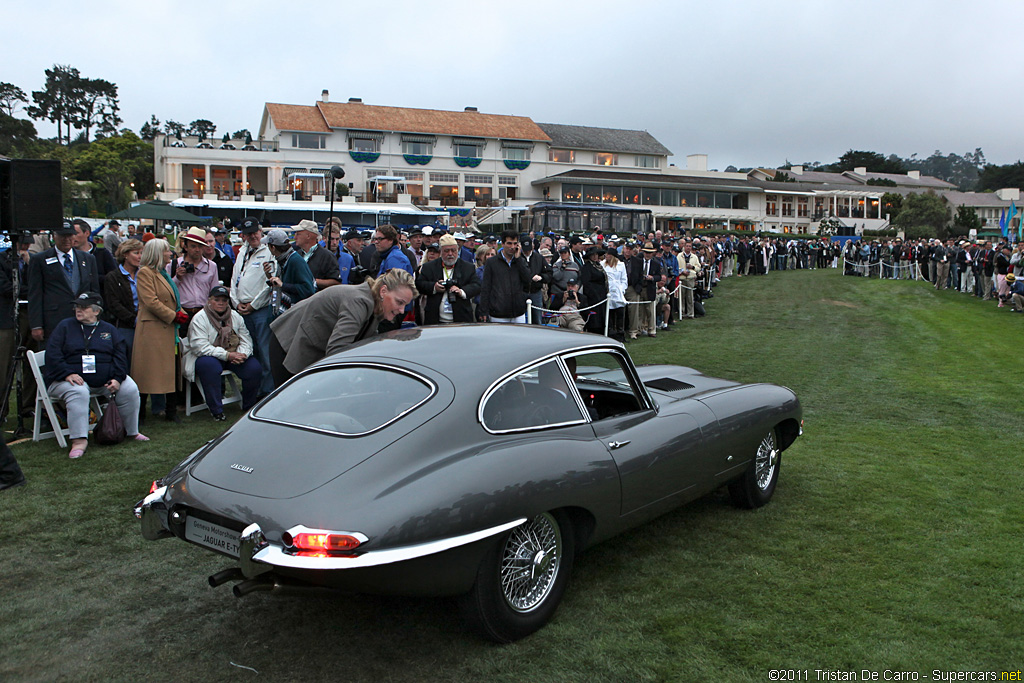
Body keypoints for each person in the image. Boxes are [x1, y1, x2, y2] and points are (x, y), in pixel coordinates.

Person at [268, 269, 416, 386]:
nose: (402, 310)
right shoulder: (359, 301)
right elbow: (337, 350)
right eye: (399, 302)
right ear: (383, 291)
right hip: (288, 343)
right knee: (288, 408)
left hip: (307, 344)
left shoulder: (375, 305)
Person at [45, 292, 147, 458]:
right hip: (66, 379)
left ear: (96, 311)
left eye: (84, 307)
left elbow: (120, 356)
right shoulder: (65, 326)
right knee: (79, 391)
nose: (79, 310)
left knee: (129, 388)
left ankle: (131, 431)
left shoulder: (109, 330)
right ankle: (79, 440)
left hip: (104, 379)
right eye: (77, 306)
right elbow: (53, 354)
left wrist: (117, 378)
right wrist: (67, 373)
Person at [183, 285, 261, 421]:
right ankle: (216, 410)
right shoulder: (199, 318)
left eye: (224, 300)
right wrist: (226, 355)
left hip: (233, 354)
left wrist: (242, 354)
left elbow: (246, 338)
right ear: (209, 300)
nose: (221, 303)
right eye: (217, 299)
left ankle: (249, 406)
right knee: (210, 367)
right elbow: (200, 347)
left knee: (254, 368)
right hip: (207, 356)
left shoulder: (235, 316)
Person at [133, 239, 188, 423]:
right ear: (157, 253)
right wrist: (173, 315)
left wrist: (179, 312)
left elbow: (172, 300)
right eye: (166, 251)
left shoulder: (163, 274)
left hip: (168, 330)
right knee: (147, 372)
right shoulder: (145, 273)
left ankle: (170, 411)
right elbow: (151, 302)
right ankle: (139, 414)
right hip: (152, 331)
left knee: (171, 369)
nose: (170, 254)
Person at [28, 220, 101, 343]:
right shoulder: (39, 260)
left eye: (70, 235)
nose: (66, 239)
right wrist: (36, 325)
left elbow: (94, 290)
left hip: (84, 319)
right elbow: (35, 294)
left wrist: (96, 315)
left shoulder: (88, 259)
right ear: (54, 236)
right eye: (62, 236)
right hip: (53, 320)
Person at [230, 217, 276, 395]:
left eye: (255, 233)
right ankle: (253, 390)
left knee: (265, 353)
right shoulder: (242, 251)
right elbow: (234, 280)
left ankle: (266, 392)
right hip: (242, 310)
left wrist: (253, 305)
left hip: (260, 311)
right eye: (248, 234)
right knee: (249, 351)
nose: (252, 236)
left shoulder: (268, 252)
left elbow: (269, 283)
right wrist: (235, 303)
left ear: (260, 231)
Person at [415, 234, 480, 325]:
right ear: (440, 252)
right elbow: (419, 284)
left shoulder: (468, 267)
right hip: (435, 318)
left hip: (461, 318)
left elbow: (476, 285)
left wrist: (461, 291)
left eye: (453, 250)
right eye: (446, 251)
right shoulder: (428, 267)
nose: (450, 254)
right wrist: (434, 287)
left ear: (457, 251)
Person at [171, 227, 220, 333]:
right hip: (182, 314)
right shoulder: (174, 265)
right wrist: (178, 278)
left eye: (200, 246)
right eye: (193, 246)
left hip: (203, 313)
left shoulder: (211, 266)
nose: (197, 250)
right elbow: (168, 291)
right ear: (186, 246)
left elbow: (214, 292)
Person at [103, 239, 144, 359]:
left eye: (141, 253)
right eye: (136, 253)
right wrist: (134, 320)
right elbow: (113, 304)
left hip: (145, 323)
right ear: (125, 254)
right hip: (125, 325)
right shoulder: (113, 277)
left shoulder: (143, 274)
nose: (140, 257)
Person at [478, 231, 531, 324]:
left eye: (515, 244)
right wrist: (484, 311)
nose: (512, 247)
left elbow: (527, 280)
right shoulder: (492, 263)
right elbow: (486, 287)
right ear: (502, 244)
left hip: (518, 312)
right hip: (498, 313)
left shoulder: (520, 261)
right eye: (509, 243)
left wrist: (518, 260)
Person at [262, 229, 316, 315]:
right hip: (286, 314)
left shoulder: (295, 261)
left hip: (294, 315)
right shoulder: (284, 259)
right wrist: (270, 276)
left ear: (273, 247)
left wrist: (283, 285)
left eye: (268, 245)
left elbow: (308, 289)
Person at [292, 219, 340, 290]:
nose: (294, 237)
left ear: (308, 236)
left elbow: (336, 282)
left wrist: (313, 282)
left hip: (318, 300)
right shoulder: (296, 255)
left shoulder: (327, 256)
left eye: (298, 234)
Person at [520, 234, 551, 324]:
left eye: (529, 249)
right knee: (520, 318)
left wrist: (541, 278)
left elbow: (549, 273)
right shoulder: (518, 259)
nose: (527, 252)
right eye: (525, 250)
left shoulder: (539, 258)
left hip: (536, 292)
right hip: (522, 291)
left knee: (537, 319)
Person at [636, 242, 663, 337]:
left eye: (649, 252)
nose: (647, 254)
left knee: (650, 311)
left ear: (652, 253)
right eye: (646, 252)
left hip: (650, 288)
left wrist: (652, 278)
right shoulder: (638, 262)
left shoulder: (656, 263)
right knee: (639, 311)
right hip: (640, 288)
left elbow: (659, 277)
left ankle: (652, 330)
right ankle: (639, 329)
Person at [580, 245, 607, 334]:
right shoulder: (587, 267)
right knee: (595, 319)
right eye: (593, 255)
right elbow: (586, 283)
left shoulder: (599, 266)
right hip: (592, 296)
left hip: (602, 294)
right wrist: (594, 294)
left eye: (596, 254)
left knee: (602, 316)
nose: (595, 257)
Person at [604, 249, 627, 341]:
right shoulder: (602, 264)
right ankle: (611, 333)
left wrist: (621, 290)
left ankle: (620, 334)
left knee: (620, 314)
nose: (606, 256)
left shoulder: (621, 265)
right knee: (610, 315)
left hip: (618, 293)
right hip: (608, 293)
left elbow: (624, 280)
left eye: (608, 254)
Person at [677, 240, 702, 319]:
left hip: (690, 278)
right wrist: (682, 271)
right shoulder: (679, 256)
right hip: (682, 278)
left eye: (689, 246)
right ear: (684, 247)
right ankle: (682, 312)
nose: (688, 248)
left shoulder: (694, 257)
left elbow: (698, 268)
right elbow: (676, 267)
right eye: (687, 246)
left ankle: (690, 313)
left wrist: (692, 267)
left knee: (690, 297)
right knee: (682, 297)